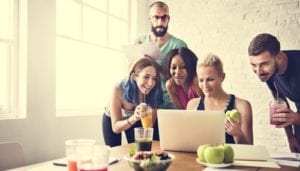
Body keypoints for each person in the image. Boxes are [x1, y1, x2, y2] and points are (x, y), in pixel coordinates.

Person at [248, 33, 300, 152]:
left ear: (279, 57)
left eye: (264, 64)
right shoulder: (268, 74)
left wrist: (297, 118)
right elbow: (281, 103)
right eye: (253, 65)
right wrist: (290, 137)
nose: (258, 72)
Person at [187, 53, 253, 144]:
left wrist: (238, 135)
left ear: (222, 77)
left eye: (210, 79)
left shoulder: (242, 106)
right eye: (201, 80)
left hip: (230, 158)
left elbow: (250, 151)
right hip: (198, 158)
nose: (205, 85)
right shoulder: (192, 105)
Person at [135, 1, 187, 108]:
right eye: (156, 17)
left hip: (169, 102)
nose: (160, 22)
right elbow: (132, 72)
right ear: (150, 19)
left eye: (164, 18)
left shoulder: (179, 45)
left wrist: (154, 64)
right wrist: (137, 59)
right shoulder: (140, 41)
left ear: (168, 19)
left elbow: (183, 79)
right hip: (144, 100)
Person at [102, 57, 163, 147]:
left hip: (137, 118)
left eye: (154, 78)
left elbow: (148, 128)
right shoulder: (118, 88)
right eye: (146, 77)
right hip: (114, 119)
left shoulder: (155, 91)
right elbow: (115, 128)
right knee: (113, 153)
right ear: (134, 77)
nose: (151, 83)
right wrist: (134, 117)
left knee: (137, 149)